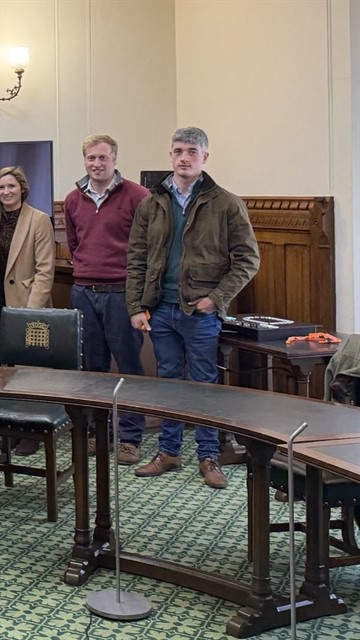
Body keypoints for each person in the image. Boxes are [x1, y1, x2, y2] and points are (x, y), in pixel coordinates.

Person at [128, 127, 260, 489]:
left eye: (191, 151)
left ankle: (209, 456)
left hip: (199, 311)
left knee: (204, 385)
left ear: (205, 157)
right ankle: (169, 451)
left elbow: (248, 260)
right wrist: (136, 306)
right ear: (169, 156)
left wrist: (215, 299)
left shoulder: (226, 203)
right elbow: (136, 257)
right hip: (161, 308)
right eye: (177, 151)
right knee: (168, 382)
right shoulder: (152, 202)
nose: (183, 158)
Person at [63, 135, 150, 464]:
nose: (96, 164)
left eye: (102, 158)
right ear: (84, 160)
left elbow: (146, 247)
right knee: (92, 369)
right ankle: (98, 433)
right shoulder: (73, 199)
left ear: (114, 159)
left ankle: (130, 437)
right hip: (84, 292)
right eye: (90, 158)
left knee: (128, 366)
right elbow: (74, 244)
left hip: (122, 293)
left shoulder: (137, 196)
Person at [0, 166, 55, 456]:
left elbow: (45, 270)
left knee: (31, 371)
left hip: (27, 304)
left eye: (11, 187)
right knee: (3, 367)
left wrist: (31, 312)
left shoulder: (38, 219)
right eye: (1, 187)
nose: (6, 192)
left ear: (22, 188)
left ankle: (33, 432)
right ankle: (8, 429)